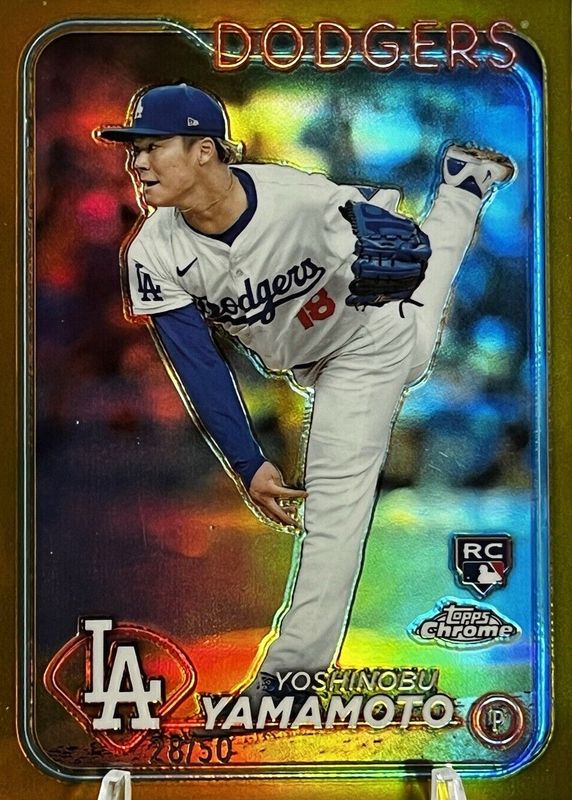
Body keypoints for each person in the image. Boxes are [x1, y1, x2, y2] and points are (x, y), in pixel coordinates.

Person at [97, 82, 514, 703]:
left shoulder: (295, 198)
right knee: (421, 331)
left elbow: (379, 218)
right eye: (135, 150)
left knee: (334, 505)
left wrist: (386, 236)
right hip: (311, 361)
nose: (137, 162)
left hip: (367, 337)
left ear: (205, 150)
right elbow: (198, 366)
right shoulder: (154, 253)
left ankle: (289, 678)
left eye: (153, 147)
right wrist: (247, 462)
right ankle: (463, 190)